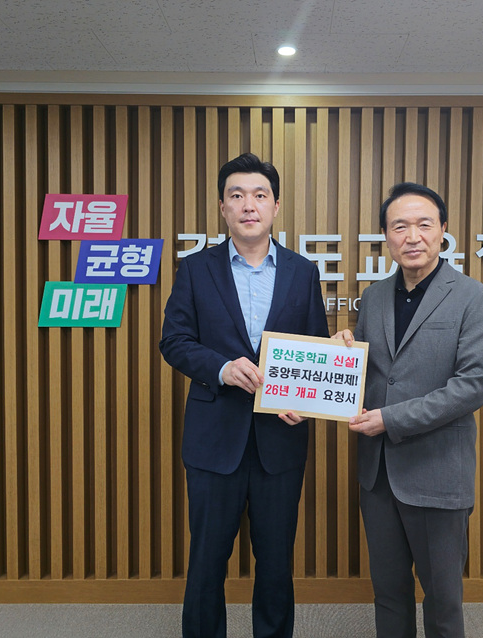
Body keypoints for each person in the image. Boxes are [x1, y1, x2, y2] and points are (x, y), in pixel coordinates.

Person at [160, 152, 329, 638]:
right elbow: (174, 341)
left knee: (275, 564)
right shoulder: (196, 269)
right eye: (237, 195)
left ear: (276, 205)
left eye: (259, 195)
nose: (248, 205)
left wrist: (309, 402)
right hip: (214, 441)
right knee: (207, 561)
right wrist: (222, 368)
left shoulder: (302, 271)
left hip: (281, 441)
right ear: (223, 207)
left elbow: (315, 349)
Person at [335, 182, 483, 638]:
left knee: (443, 601)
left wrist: (390, 419)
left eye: (424, 224)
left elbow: (471, 387)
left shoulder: (475, 298)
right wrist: (338, 354)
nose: (412, 236)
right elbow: (369, 375)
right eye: (399, 226)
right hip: (378, 477)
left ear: (443, 230)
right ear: (385, 236)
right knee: (388, 595)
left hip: (437, 472)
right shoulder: (373, 297)